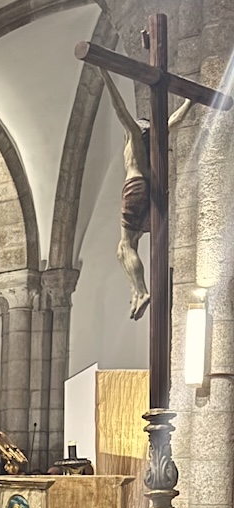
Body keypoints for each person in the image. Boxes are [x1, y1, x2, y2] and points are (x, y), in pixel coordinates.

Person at [99, 69, 193, 320]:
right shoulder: (155, 138)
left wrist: (104, 74)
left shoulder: (135, 136)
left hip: (135, 186)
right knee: (130, 245)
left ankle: (140, 292)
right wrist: (189, 101)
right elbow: (174, 121)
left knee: (125, 245)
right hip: (153, 193)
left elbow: (119, 108)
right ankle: (135, 292)